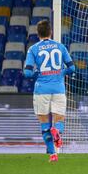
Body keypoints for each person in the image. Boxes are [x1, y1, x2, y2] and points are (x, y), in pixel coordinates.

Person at [24, 20, 75, 162]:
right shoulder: (60, 47)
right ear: (50, 32)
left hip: (42, 90)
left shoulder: (33, 49)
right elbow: (72, 68)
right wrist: (60, 73)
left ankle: (53, 154)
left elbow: (27, 73)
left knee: (44, 123)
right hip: (58, 89)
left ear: (37, 33)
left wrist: (37, 74)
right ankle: (57, 131)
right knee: (59, 119)